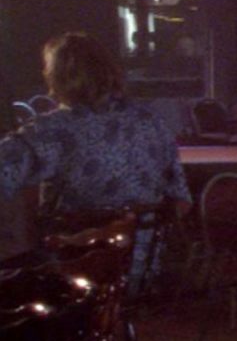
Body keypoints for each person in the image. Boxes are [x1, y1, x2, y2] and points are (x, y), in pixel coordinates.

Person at [0, 32, 191, 281]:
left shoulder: (53, 130)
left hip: (73, 273)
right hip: (144, 273)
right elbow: (182, 201)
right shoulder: (152, 123)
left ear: (57, 76)